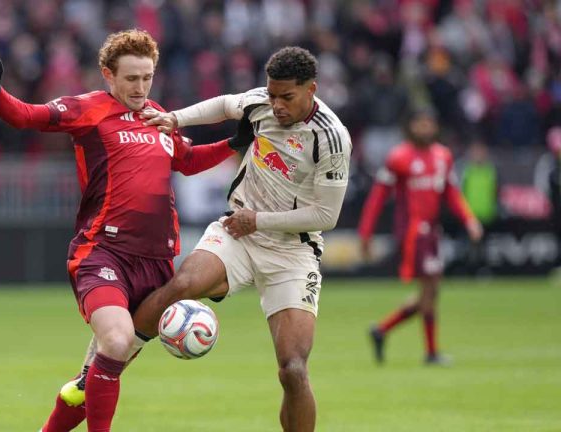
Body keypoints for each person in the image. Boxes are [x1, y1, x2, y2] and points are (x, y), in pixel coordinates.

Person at [0, 29, 238, 432]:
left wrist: (237, 142)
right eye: (131, 78)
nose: (140, 87)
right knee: (115, 343)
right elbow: (25, 116)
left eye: (147, 77)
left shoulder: (157, 116)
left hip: (157, 265)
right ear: (108, 74)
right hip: (103, 253)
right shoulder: (88, 109)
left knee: (92, 378)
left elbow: (189, 159)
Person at [135, 46, 352, 432]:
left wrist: (260, 221)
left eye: (287, 97)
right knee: (184, 284)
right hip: (238, 231)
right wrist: (175, 118)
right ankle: (110, 360)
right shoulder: (262, 104)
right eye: (272, 95)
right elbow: (224, 105)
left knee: (293, 370)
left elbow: (326, 216)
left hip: (293, 251)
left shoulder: (331, 139)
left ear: (311, 89)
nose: (277, 105)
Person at [357, 109, 483, 366]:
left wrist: (469, 220)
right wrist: (366, 234)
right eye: (420, 124)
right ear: (410, 127)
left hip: (433, 232)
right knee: (430, 289)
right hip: (413, 233)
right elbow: (378, 197)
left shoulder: (442, 156)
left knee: (430, 292)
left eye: (429, 124)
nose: (425, 129)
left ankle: (382, 330)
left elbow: (451, 193)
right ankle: (431, 352)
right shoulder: (399, 158)